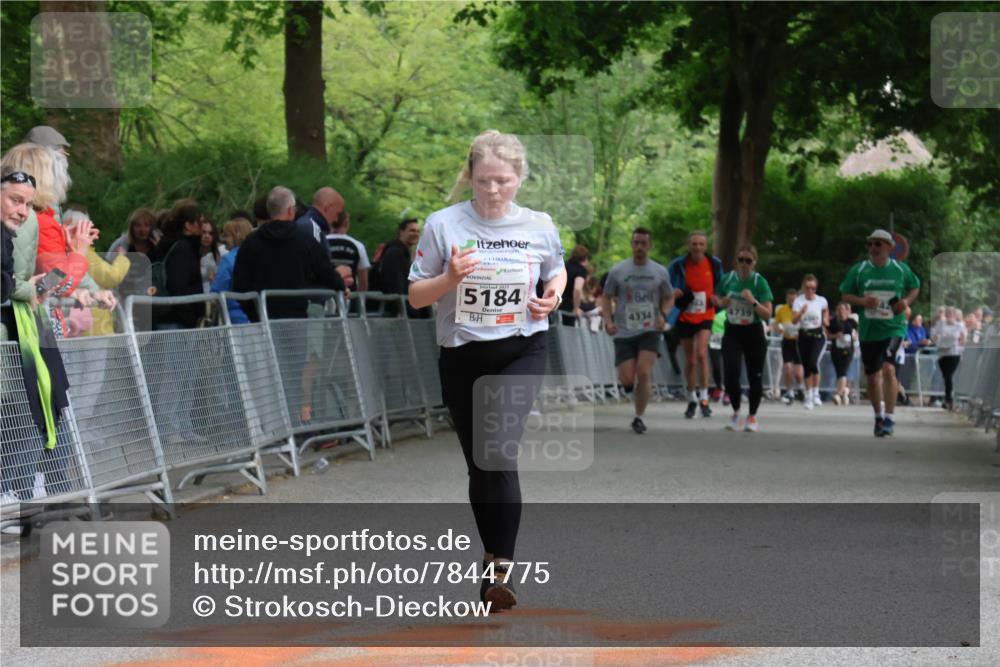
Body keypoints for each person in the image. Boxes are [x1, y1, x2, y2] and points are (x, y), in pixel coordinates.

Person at [407, 130, 566, 610]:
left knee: (497, 451)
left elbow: (556, 270)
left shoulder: (539, 225)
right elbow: (415, 296)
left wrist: (553, 295)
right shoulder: (443, 224)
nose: (493, 190)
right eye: (483, 181)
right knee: (481, 464)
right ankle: (492, 558)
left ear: (519, 178)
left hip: (521, 349)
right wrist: (449, 279)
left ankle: (503, 571)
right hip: (462, 354)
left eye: (503, 180)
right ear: (470, 177)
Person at [1, 165, 74, 505]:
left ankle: (35, 490)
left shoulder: (11, 233)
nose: (22, 211)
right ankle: (18, 492)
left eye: (28, 205)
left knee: (39, 409)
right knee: (25, 414)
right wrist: (27, 288)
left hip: (26, 328)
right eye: (16, 201)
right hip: (18, 332)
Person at [839, 229, 920, 437]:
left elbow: (915, 287)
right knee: (873, 377)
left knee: (888, 368)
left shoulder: (900, 270)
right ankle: (878, 417)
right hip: (869, 330)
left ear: (889, 247)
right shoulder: (859, 270)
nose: (873, 248)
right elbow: (845, 294)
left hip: (894, 327)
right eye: (871, 244)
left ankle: (890, 418)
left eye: (878, 244)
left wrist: (905, 302)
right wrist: (862, 302)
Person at [602, 227, 674, 433]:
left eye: (644, 243)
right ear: (631, 244)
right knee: (627, 379)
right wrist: (608, 320)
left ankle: (638, 417)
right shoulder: (618, 271)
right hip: (624, 330)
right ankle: (627, 386)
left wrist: (663, 314)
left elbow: (669, 297)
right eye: (636, 243)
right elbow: (606, 296)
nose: (640, 247)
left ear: (649, 245)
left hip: (650, 329)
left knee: (643, 371)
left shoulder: (660, 272)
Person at [668, 230, 724, 419]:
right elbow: (667, 286)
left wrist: (718, 298)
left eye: (701, 244)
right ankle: (692, 398)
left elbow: (722, 287)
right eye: (694, 244)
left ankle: (705, 398)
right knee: (690, 360)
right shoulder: (678, 265)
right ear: (689, 246)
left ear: (706, 246)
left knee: (701, 354)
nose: (698, 247)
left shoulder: (714, 264)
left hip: (706, 314)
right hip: (685, 316)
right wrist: (673, 294)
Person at [716, 245, 773, 432]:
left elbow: (767, 314)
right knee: (731, 373)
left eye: (748, 261)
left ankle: (752, 416)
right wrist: (720, 302)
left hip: (754, 332)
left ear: (754, 262)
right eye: (741, 260)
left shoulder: (759, 282)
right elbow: (715, 298)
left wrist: (753, 301)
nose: (744, 264)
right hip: (733, 331)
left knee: (754, 376)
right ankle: (736, 412)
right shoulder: (728, 279)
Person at [151, 201, 205, 329]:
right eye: (200, 222)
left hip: (170, 316)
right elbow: (177, 286)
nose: (203, 227)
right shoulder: (183, 248)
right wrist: (190, 317)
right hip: (176, 319)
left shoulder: (172, 244)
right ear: (188, 225)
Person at [372, 218, 430, 318]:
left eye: (417, 231)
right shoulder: (395, 252)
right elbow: (395, 284)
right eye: (412, 230)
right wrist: (401, 308)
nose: (415, 234)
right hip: (396, 312)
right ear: (401, 232)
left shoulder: (405, 253)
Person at [792, 274, 829, 410]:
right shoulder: (799, 301)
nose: (810, 291)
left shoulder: (821, 300)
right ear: (803, 287)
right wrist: (801, 312)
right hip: (804, 335)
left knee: (813, 362)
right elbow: (794, 320)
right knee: (806, 366)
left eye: (813, 288)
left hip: (818, 335)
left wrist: (825, 320)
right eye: (808, 288)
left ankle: (816, 392)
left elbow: (825, 311)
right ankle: (808, 396)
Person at [211, 217, 254, 324]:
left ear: (237, 236)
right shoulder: (257, 256)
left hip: (234, 317)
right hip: (256, 315)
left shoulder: (228, 259)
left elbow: (218, 290)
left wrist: (213, 280)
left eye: (226, 235)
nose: (223, 240)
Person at [326, 206, 370, 293]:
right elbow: (363, 283)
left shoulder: (321, 242)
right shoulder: (358, 246)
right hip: (349, 297)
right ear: (346, 223)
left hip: (325, 298)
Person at [931, 306, 966, 411]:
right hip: (942, 353)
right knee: (945, 376)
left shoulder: (959, 325)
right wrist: (937, 343)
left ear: (955, 315)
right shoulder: (940, 324)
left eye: (951, 313)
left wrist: (959, 347)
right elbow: (934, 335)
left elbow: (963, 339)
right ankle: (947, 399)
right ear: (946, 314)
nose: (950, 315)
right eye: (948, 313)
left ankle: (948, 399)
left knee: (948, 375)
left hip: (954, 353)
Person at [773, 288, 804, 404]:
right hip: (787, 341)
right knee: (787, 369)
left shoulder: (801, 309)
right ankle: (789, 392)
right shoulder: (782, 310)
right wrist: (779, 328)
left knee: (798, 373)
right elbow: (776, 324)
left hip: (799, 342)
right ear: (786, 299)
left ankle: (801, 388)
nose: (792, 303)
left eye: (794, 300)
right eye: (789, 300)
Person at [827, 301, 858, 405]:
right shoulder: (833, 322)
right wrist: (835, 336)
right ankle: (845, 391)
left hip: (848, 349)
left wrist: (855, 336)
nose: (841, 311)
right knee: (839, 371)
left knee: (843, 370)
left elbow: (857, 333)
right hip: (836, 349)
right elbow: (827, 335)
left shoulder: (852, 322)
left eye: (843, 309)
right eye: (839, 309)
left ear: (847, 310)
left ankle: (838, 394)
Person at [560, 244, 590, 324]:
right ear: (585, 258)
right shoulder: (581, 270)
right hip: (567, 307)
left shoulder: (563, 265)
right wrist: (576, 308)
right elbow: (577, 288)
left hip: (555, 302)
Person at [199, 219, 225, 294]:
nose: (207, 236)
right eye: (204, 232)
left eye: (210, 233)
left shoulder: (219, 253)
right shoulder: (192, 254)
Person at [708, 308, 726, 403]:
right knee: (716, 366)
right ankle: (718, 387)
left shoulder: (729, 311)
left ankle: (728, 391)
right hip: (714, 342)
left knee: (730, 366)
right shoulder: (712, 309)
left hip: (728, 341)